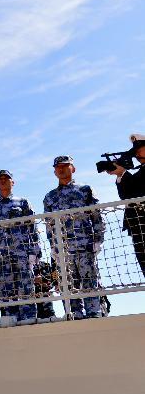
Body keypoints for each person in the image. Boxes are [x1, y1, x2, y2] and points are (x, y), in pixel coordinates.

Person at [43, 155, 105, 319]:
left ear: (73, 168)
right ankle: (74, 315)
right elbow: (49, 225)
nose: (61, 169)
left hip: (85, 246)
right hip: (64, 250)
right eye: (58, 167)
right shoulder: (50, 197)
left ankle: (95, 314)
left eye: (65, 166)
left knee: (90, 282)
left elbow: (97, 216)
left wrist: (98, 240)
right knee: (68, 285)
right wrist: (53, 248)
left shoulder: (85, 190)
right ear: (55, 171)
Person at [0, 170, 41, 322]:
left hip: (22, 254)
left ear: (12, 182)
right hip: (1, 257)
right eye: (0, 179)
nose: (3, 181)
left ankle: (29, 321)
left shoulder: (22, 203)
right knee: (6, 292)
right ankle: (10, 322)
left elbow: (32, 228)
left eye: (6, 178)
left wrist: (35, 252)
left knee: (26, 289)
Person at [103, 133, 145, 275]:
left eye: (140, 149)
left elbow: (138, 190)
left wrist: (124, 173)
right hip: (138, 227)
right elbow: (127, 196)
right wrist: (121, 174)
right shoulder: (140, 172)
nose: (137, 154)